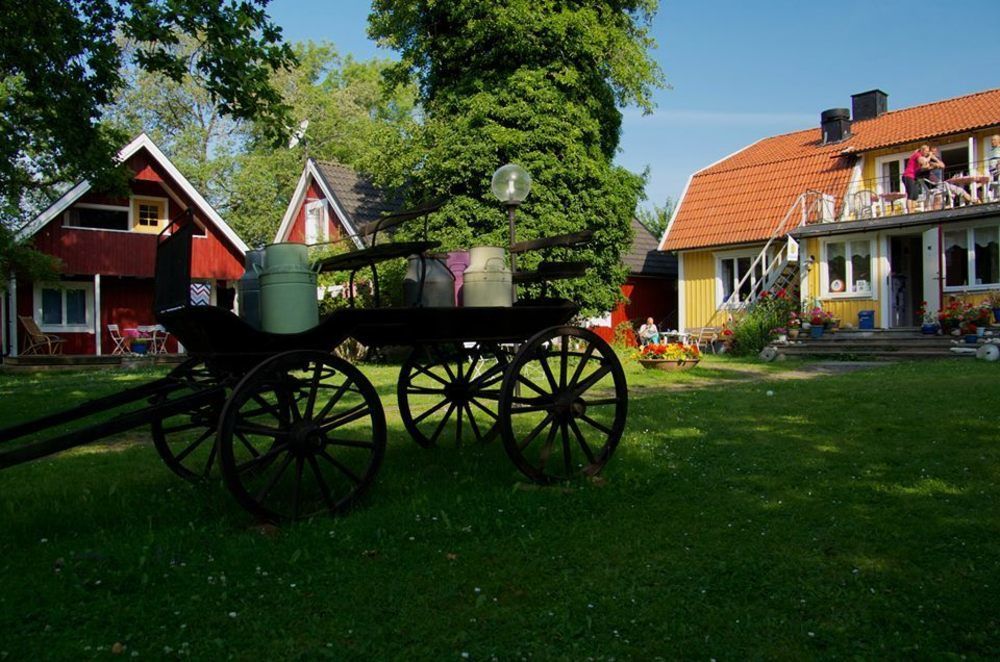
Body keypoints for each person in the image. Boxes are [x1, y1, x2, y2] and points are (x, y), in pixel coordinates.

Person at [902, 144, 931, 213]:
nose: (927, 153)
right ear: (922, 150)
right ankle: (910, 212)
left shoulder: (919, 156)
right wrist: (930, 156)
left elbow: (924, 166)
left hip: (914, 177)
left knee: (915, 195)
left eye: (928, 152)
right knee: (911, 194)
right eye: (926, 151)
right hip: (908, 176)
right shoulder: (917, 155)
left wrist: (927, 166)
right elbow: (924, 162)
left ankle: (913, 211)